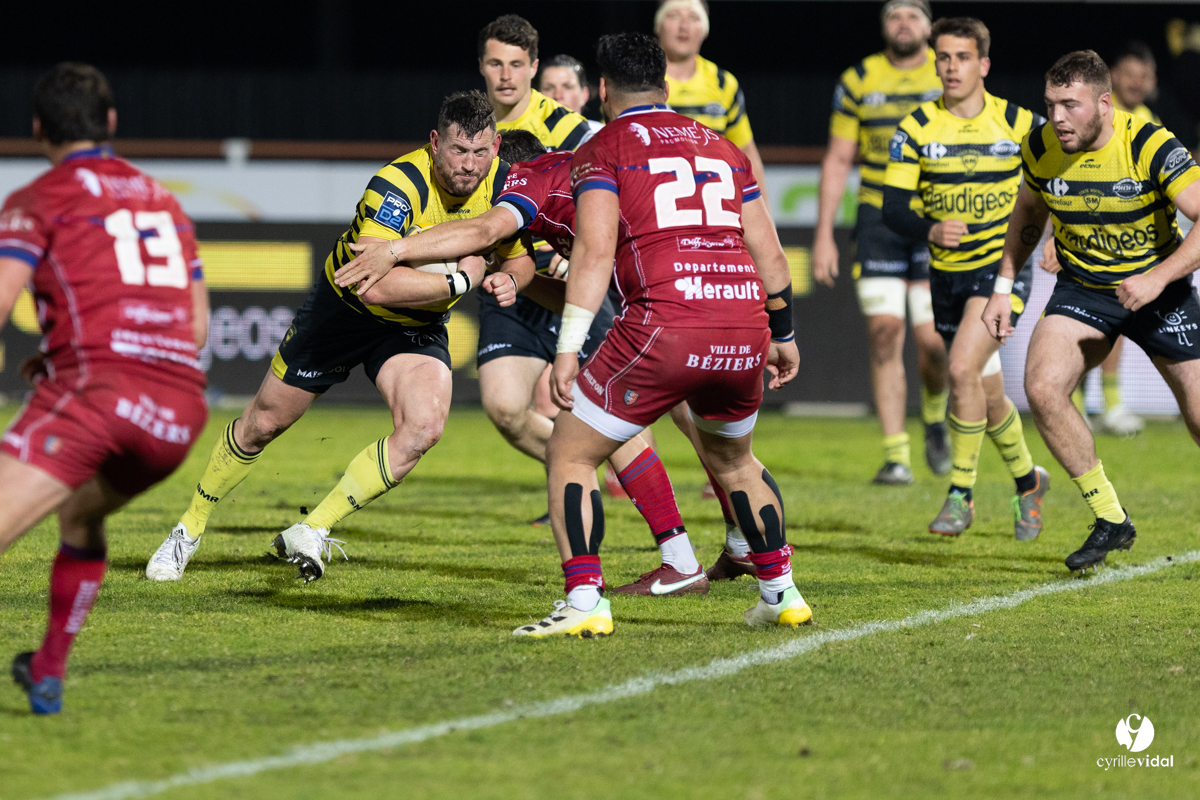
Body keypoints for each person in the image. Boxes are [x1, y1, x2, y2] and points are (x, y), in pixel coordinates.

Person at [145, 91, 532, 583]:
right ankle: (187, 530)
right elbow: (373, 286)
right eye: (458, 150)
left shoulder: (505, 187)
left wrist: (513, 278)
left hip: (415, 328)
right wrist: (460, 280)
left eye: (480, 153)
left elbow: (520, 254)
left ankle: (313, 528)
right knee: (262, 423)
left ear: (496, 147)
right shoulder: (398, 185)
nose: (468, 166)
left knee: (423, 428)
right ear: (435, 143)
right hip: (343, 313)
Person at [512, 33, 807, 638]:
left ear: (601, 91)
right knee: (736, 460)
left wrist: (567, 348)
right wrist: (784, 332)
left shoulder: (605, 146)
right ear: (667, 86)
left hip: (665, 324)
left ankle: (585, 601)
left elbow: (593, 254)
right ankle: (782, 593)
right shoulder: (723, 147)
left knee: (570, 450)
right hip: (742, 322)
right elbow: (770, 253)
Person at [335, 130, 715, 597]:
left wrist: (394, 250)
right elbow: (567, 290)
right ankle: (737, 560)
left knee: (591, 440)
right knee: (584, 433)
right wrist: (517, 275)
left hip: (655, 303)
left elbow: (496, 238)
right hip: (674, 293)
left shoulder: (540, 188)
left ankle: (611, 587)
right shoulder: (564, 193)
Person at [0, 63, 209, 714]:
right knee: (81, 515)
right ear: (111, 123)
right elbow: (197, 327)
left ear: (38, 129)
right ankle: (49, 670)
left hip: (96, 395)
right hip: (176, 417)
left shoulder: (37, 199)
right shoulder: (162, 200)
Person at [982, 50, 1200, 571]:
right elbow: (1029, 212)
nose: (1057, 118)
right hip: (1085, 289)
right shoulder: (1041, 147)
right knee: (1042, 385)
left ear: (1104, 103)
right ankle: (1110, 519)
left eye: (1071, 105)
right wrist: (1004, 283)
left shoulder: (1149, 143)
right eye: (1051, 104)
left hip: (1159, 290)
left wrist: (1157, 278)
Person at [883, 17, 1049, 538]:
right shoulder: (915, 128)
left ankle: (960, 494)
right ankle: (1028, 482)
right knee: (984, 390)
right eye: (943, 57)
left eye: (961, 57)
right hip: (948, 278)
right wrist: (930, 227)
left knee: (958, 370)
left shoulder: (1020, 124)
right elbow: (892, 208)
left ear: (984, 65)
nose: (951, 67)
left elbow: (1059, 183)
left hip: (1001, 274)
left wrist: (1059, 245)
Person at [476, 15, 619, 525]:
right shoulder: (474, 127)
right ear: (482, 67)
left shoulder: (566, 125)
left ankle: (688, 527)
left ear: (534, 67)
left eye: (517, 64)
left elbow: (613, 178)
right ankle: (577, 469)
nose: (506, 75)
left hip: (569, 280)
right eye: (496, 63)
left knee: (625, 405)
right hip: (513, 281)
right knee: (505, 409)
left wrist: (576, 245)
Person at [814, 0, 950, 485]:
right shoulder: (859, 80)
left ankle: (934, 417)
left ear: (928, 25)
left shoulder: (947, 71)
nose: (904, 24)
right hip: (876, 218)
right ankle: (896, 456)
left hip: (934, 215)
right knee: (885, 331)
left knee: (933, 342)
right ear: (884, 25)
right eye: (895, 15)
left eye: (913, 15)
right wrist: (825, 232)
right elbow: (837, 158)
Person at [1059, 42, 1163, 438]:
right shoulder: (1090, 116)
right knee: (1084, 323)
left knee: (1117, 323)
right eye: (1130, 73)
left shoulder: (1148, 120)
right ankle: (1082, 403)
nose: (1137, 82)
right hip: (1086, 238)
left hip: (1129, 242)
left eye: (1145, 75)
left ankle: (1111, 404)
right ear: (1112, 76)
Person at [654, 0, 768, 195]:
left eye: (693, 17)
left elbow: (747, 155)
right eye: (674, 16)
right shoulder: (638, 81)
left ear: (705, 29)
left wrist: (766, 223)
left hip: (714, 213)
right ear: (658, 25)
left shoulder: (723, 84)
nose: (684, 26)